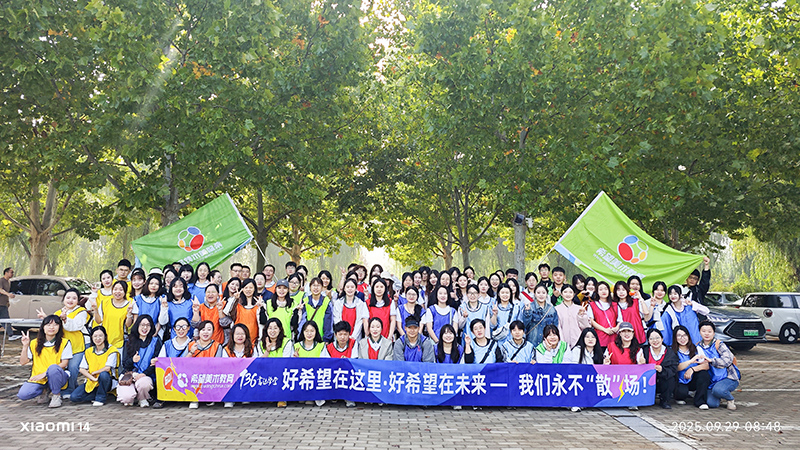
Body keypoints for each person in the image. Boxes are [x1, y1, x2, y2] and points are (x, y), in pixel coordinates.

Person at [36, 288, 88, 397]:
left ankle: (69, 390)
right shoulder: (58, 312)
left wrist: (65, 319)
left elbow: (76, 326)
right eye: (68, 297)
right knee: (62, 368)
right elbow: (54, 327)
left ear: (78, 300)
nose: (70, 300)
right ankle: (66, 388)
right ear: (63, 299)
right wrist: (46, 318)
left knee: (73, 368)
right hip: (62, 347)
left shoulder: (81, 312)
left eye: (74, 298)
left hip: (76, 346)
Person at [17, 315, 72, 407]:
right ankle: (44, 391)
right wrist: (25, 346)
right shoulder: (34, 343)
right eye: (48, 325)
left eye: (55, 325)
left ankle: (56, 395)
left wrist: (45, 373)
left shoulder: (65, 342)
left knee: (53, 368)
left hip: (57, 376)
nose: (51, 327)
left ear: (59, 327)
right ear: (43, 327)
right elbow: (23, 362)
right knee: (23, 394)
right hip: (39, 378)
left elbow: (64, 363)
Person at [118, 315, 161, 407]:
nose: (145, 328)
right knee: (126, 398)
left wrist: (144, 374)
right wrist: (132, 360)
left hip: (146, 376)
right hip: (130, 375)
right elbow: (125, 364)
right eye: (142, 325)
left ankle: (142, 397)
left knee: (143, 384)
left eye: (148, 325)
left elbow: (156, 363)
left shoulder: (156, 341)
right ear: (137, 325)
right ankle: (132, 396)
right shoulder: (129, 341)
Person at [70, 326, 118, 406]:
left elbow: (107, 368)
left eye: (100, 336)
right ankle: (100, 394)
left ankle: (100, 398)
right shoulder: (89, 351)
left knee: (104, 375)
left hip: (106, 380)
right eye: (95, 336)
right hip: (92, 381)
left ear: (105, 337)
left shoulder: (112, 350)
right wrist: (93, 378)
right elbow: (82, 369)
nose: (98, 338)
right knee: (74, 397)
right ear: (91, 338)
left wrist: (95, 372)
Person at [697, 320, 740, 410]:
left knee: (718, 390)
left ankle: (730, 399)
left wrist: (712, 360)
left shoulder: (719, 344)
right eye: (703, 331)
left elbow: (727, 360)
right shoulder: (698, 346)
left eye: (709, 331)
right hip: (712, 380)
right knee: (712, 404)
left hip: (727, 377)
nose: (706, 334)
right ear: (699, 332)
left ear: (714, 333)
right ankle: (718, 393)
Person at [637, 328, 678, 409]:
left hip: (663, 380)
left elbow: (673, 369)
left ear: (662, 339)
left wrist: (662, 369)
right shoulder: (643, 351)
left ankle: (665, 401)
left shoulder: (670, 352)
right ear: (648, 341)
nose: (655, 341)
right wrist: (641, 364)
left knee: (670, 379)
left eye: (657, 338)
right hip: (648, 380)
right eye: (651, 338)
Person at [672, 325, 711, 409]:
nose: (682, 338)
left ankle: (700, 401)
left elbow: (706, 365)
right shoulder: (672, 350)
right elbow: (676, 367)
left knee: (704, 374)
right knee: (682, 393)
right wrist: (690, 361)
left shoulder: (697, 349)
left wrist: (692, 369)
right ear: (675, 338)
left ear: (688, 336)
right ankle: (679, 396)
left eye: (684, 335)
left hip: (693, 378)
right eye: (679, 336)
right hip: (679, 380)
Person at [222, 323, 256, 408]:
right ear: (232, 335)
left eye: (242, 334)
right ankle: (229, 399)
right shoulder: (226, 349)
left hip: (247, 377)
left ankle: (246, 396)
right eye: (237, 334)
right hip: (232, 377)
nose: (240, 336)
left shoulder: (252, 348)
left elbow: (255, 364)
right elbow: (225, 366)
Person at [93, 280, 134, 349]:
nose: (117, 292)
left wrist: (129, 313)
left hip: (119, 342)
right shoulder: (105, 302)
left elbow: (128, 325)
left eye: (121, 289)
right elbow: (98, 321)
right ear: (112, 291)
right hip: (104, 341)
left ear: (125, 291)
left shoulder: (128, 305)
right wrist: (96, 311)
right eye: (115, 289)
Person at [224, 279, 265, 345]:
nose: (248, 290)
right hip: (238, 338)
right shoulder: (237, 302)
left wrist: (261, 307)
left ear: (254, 289)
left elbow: (264, 320)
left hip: (254, 340)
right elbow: (226, 311)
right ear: (242, 289)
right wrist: (234, 298)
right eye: (246, 288)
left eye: (251, 287)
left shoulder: (259, 301)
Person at [297, 276, 333, 343]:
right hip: (307, 338)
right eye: (313, 285)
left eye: (318, 285)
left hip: (321, 338)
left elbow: (328, 322)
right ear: (310, 287)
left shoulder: (326, 301)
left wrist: (326, 339)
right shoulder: (305, 301)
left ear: (322, 287)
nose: (316, 288)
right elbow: (302, 321)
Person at [332, 278, 369, 342]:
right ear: (344, 288)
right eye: (347, 287)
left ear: (356, 289)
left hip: (355, 337)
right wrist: (344, 335)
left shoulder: (360, 303)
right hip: (340, 337)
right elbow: (336, 320)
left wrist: (353, 336)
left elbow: (359, 322)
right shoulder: (338, 303)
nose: (350, 289)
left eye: (352, 287)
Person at [521, 283, 558, 347]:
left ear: (547, 294)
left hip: (546, 344)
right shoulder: (529, 307)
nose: (541, 295)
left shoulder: (552, 309)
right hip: (531, 342)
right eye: (538, 293)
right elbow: (524, 325)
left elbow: (555, 327)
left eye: (543, 293)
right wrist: (527, 313)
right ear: (534, 294)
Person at [588, 281, 621, 349]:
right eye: (600, 289)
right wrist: (605, 330)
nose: (603, 291)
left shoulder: (615, 305)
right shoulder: (592, 305)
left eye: (605, 289)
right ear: (597, 292)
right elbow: (591, 321)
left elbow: (620, 320)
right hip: (599, 337)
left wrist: (616, 328)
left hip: (614, 337)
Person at [0, 267, 20, 340]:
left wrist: (7, 302)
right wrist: (8, 294)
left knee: (6, 319)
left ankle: (11, 335)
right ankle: (10, 335)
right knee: (5, 319)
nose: (12, 274)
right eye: (11, 272)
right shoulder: (1, 280)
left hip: (3, 304)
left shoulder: (9, 282)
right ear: (6, 273)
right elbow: (0, 290)